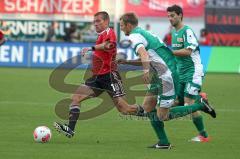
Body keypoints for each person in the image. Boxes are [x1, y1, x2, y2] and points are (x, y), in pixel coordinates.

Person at [119, 12, 216, 149]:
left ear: (129, 25)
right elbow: (149, 57)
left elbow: (144, 54)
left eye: (122, 25)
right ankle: (164, 142)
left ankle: (200, 104)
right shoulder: (143, 33)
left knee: (162, 115)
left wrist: (145, 71)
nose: (121, 28)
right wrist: (127, 61)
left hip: (166, 75)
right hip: (159, 74)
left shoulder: (135, 36)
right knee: (148, 109)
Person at [54, 11, 140, 138]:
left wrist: (91, 48)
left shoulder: (109, 33)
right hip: (97, 77)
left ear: (106, 21)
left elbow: (109, 45)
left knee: (124, 109)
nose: (95, 24)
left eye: (98, 21)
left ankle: (147, 111)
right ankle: (70, 129)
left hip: (110, 76)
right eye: (94, 22)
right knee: (76, 97)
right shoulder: (100, 35)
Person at [167, 5, 212, 142]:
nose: (170, 18)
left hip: (194, 71)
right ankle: (200, 100)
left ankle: (203, 134)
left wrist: (170, 52)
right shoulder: (173, 33)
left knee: (188, 105)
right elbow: (176, 57)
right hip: (181, 73)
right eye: (168, 16)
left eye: (173, 15)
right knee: (176, 103)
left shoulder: (187, 31)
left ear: (180, 15)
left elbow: (188, 51)